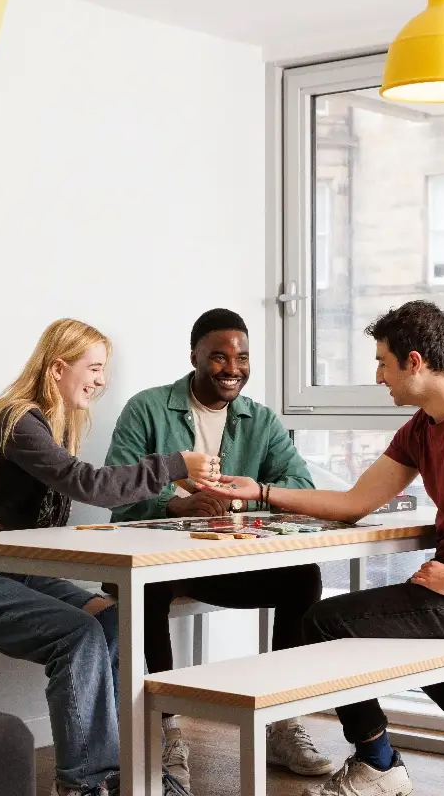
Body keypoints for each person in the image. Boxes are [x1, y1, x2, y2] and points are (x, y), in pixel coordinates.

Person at [200, 301, 444, 796]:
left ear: (415, 361)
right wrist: (262, 492)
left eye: (383, 362)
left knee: (322, 623)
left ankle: (377, 762)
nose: (379, 376)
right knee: (379, 622)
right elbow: (354, 501)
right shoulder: (422, 427)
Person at [0, 318, 219, 796]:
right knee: (79, 635)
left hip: (19, 570)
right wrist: (174, 464)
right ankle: (83, 784)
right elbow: (89, 484)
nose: (101, 380)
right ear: (57, 368)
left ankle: (134, 770)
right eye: (93, 367)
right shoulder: (16, 420)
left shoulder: (47, 425)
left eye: (103, 370)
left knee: (112, 621)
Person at [104, 308, 336, 790]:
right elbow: (117, 490)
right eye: (219, 356)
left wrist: (248, 497)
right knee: (150, 583)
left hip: (220, 562)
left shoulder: (261, 419)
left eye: (242, 356)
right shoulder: (146, 409)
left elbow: (299, 482)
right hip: (151, 561)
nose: (233, 367)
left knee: (303, 577)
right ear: (194, 357)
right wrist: (176, 504)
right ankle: (167, 730)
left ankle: (281, 717)